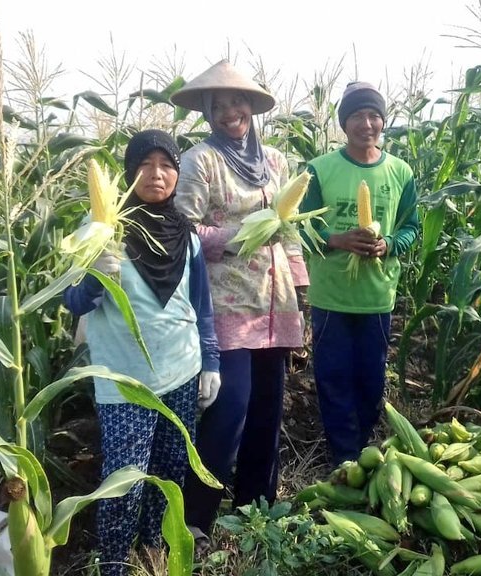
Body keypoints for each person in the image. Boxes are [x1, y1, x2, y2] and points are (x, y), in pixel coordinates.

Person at [63, 130, 220, 576]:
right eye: (145, 165)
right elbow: (72, 302)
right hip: (125, 381)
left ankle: (152, 553)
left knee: (169, 475)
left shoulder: (186, 236)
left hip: (183, 372)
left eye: (167, 164)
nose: (157, 174)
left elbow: (201, 306)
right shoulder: (101, 231)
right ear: (130, 173)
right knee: (123, 482)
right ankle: (112, 563)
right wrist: (95, 277)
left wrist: (211, 362)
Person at [169, 60, 309, 547]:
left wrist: (299, 282)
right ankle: (195, 521)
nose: (232, 111)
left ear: (252, 108)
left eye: (239, 102)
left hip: (276, 301)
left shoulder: (275, 161)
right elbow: (180, 228)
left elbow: (287, 225)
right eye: (220, 104)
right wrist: (241, 235)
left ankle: (256, 511)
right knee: (230, 410)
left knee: (269, 410)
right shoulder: (199, 160)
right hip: (226, 300)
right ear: (207, 112)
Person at [299, 81, 421, 465]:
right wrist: (336, 239)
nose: (366, 124)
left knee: (370, 380)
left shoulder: (400, 171)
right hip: (331, 294)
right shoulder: (319, 170)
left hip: (376, 295)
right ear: (343, 123)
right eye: (356, 116)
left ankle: (364, 447)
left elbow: (410, 227)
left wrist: (388, 246)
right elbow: (302, 226)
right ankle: (343, 456)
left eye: (374, 116)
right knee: (333, 377)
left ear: (383, 121)